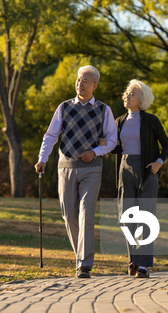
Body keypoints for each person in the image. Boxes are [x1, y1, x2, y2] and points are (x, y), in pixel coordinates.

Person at [35, 65, 117, 279]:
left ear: (95, 85)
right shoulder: (64, 107)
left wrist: (95, 152)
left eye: (86, 80)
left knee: (86, 213)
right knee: (69, 215)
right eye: (79, 79)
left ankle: (84, 263)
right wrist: (42, 159)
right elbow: (51, 136)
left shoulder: (103, 109)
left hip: (92, 169)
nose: (80, 83)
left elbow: (112, 140)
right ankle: (80, 254)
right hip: (66, 167)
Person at [113, 80, 168, 279]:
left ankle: (143, 266)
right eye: (127, 92)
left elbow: (166, 144)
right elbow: (115, 148)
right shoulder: (118, 121)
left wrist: (159, 162)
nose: (127, 96)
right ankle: (133, 260)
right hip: (125, 170)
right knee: (125, 218)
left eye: (133, 93)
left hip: (147, 170)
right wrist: (105, 143)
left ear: (142, 99)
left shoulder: (151, 120)